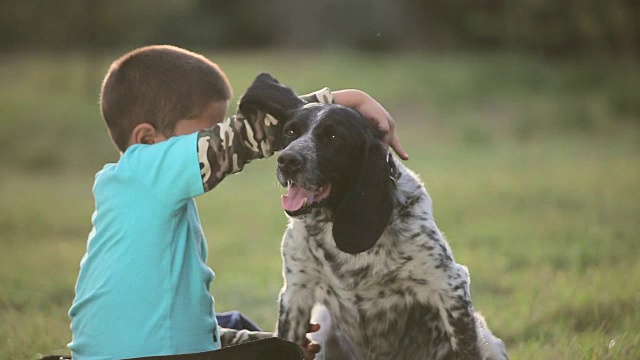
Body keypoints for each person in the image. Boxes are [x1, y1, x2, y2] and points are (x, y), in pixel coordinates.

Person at [67, 44, 408, 360]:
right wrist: (341, 101)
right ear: (148, 138)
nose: (217, 136)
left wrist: (262, 342)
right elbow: (243, 138)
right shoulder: (148, 167)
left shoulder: (131, 188)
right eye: (207, 132)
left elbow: (175, 328)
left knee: (243, 329)